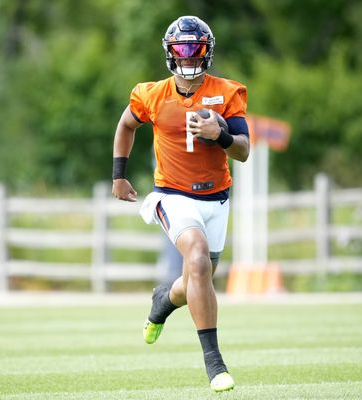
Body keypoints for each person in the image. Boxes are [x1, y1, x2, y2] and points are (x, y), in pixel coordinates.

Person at [111, 15, 249, 393]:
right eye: (181, 49)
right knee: (198, 256)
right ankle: (215, 364)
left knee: (195, 279)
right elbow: (126, 125)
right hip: (172, 195)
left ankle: (163, 301)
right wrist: (119, 175)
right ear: (170, 53)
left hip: (216, 198)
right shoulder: (151, 94)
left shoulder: (227, 92)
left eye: (195, 49)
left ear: (207, 52)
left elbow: (244, 151)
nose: (188, 57)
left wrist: (219, 134)